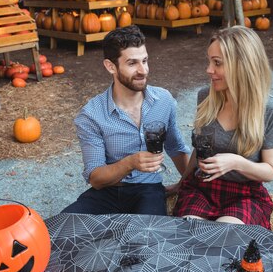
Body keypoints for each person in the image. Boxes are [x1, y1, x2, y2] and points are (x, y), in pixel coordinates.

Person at [63, 25, 190, 215]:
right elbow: (96, 178)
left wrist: (187, 185)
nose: (143, 70)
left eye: (145, 61)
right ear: (110, 66)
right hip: (107, 192)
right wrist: (130, 163)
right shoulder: (91, 115)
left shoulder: (164, 101)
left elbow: (176, 148)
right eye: (132, 63)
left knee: (148, 238)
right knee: (61, 227)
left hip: (149, 190)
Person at [173, 26, 273, 230]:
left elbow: (270, 171)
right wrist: (181, 183)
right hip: (203, 189)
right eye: (209, 61)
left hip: (245, 194)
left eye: (217, 63)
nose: (209, 70)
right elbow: (199, 150)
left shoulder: (270, 110)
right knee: (189, 235)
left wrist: (236, 162)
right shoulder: (205, 97)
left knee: (227, 238)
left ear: (241, 65)